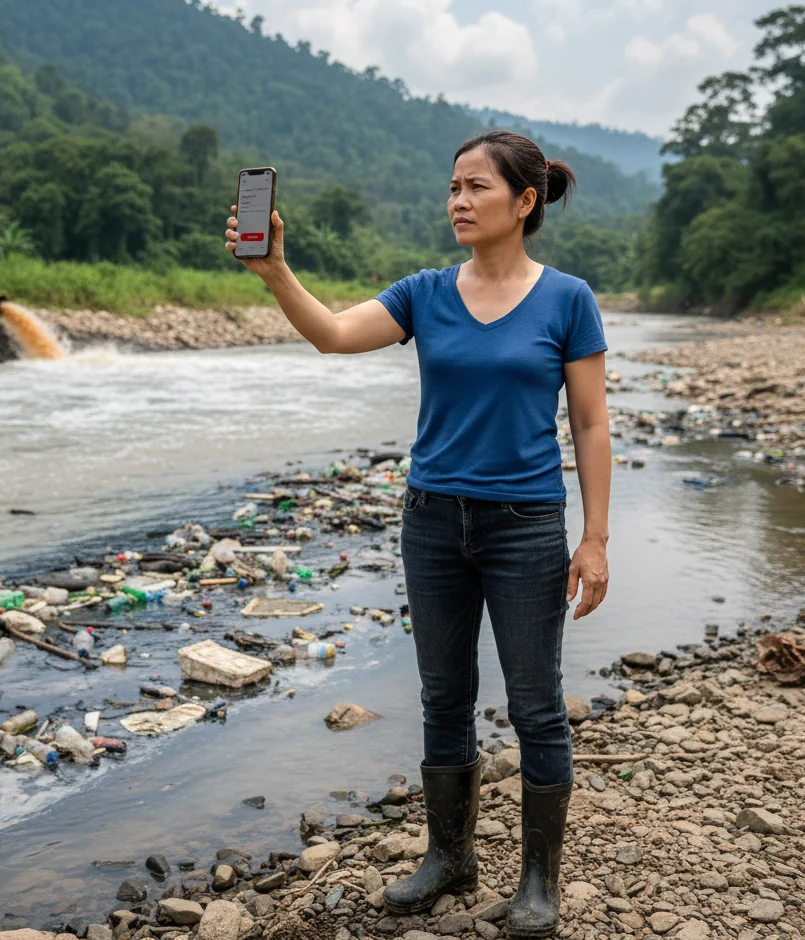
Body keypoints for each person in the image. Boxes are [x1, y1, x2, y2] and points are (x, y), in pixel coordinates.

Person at [226, 129, 610, 938]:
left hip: (526, 526)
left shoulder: (567, 299)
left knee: (537, 707)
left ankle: (540, 880)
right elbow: (332, 333)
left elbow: (589, 421)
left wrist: (596, 538)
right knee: (445, 697)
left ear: (525, 200)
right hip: (432, 519)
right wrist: (273, 272)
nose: (459, 202)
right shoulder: (425, 291)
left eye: (476, 187)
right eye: (453, 187)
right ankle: (450, 860)